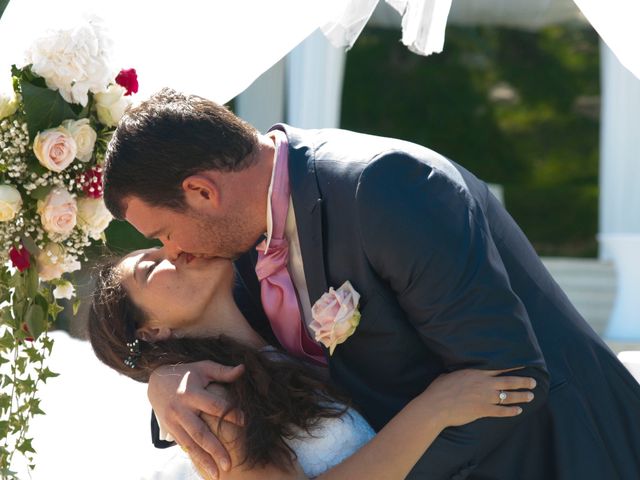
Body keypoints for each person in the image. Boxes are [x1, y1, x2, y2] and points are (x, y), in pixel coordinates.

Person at [102, 88, 640, 479]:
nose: (176, 252)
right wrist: (162, 380)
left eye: (164, 233)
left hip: (563, 456)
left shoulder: (385, 188)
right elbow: (217, 346)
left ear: (201, 192)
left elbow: (509, 378)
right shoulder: (236, 247)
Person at [88, 247, 535, 479]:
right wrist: (434, 409)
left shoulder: (275, 331)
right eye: (151, 267)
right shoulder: (208, 403)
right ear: (151, 332)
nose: (175, 250)